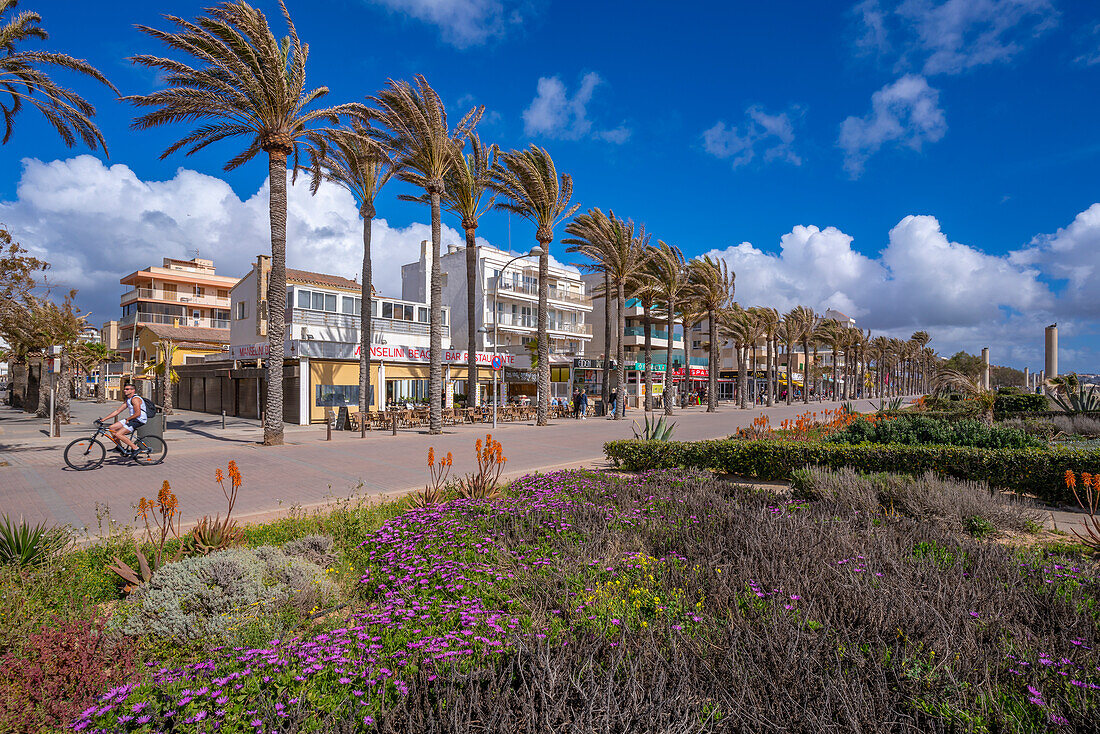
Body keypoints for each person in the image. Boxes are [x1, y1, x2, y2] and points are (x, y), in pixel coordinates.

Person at [100, 383, 146, 455]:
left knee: (118, 434)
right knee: (112, 428)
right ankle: (119, 447)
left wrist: (128, 419)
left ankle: (136, 448)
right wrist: (104, 419)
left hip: (139, 419)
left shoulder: (135, 399)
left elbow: (138, 414)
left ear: (133, 390)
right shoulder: (128, 400)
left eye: (127, 389)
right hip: (132, 419)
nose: (125, 390)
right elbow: (117, 411)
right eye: (125, 389)